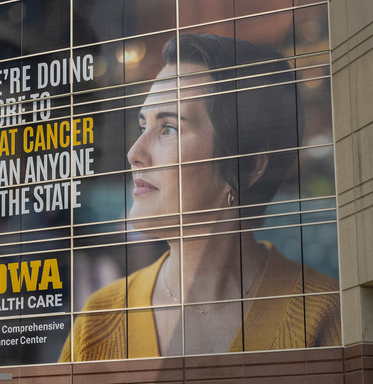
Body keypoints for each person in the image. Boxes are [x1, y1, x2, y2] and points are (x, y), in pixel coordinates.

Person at [61, 33, 340, 361]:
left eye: (168, 128)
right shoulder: (99, 320)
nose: (134, 153)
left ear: (247, 167)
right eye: (143, 126)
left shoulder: (323, 313)